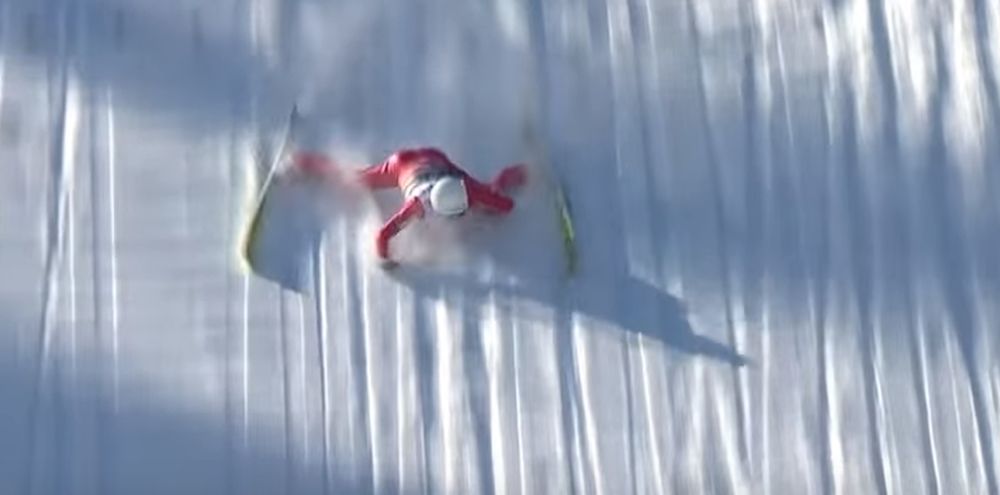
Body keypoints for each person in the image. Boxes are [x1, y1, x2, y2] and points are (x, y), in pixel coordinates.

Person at [289, 147, 527, 268]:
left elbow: (506, 206)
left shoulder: (468, 191)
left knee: (491, 195)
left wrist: (495, 204)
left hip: (435, 161)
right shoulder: (419, 206)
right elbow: (382, 235)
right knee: (357, 180)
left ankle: (529, 170)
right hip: (402, 165)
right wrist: (386, 261)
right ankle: (301, 163)